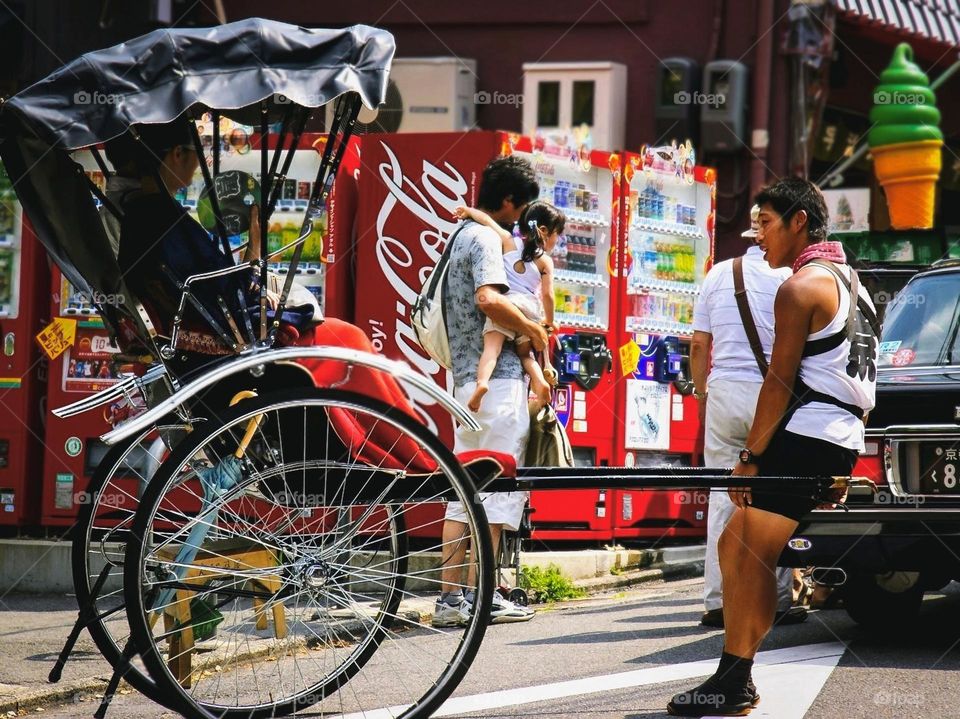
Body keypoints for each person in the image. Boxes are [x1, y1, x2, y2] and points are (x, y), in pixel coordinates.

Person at [668, 177, 877, 716]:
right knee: (735, 546)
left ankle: (733, 682)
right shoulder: (853, 282)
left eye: (764, 224)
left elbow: (779, 381)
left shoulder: (800, 287)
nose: (757, 238)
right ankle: (734, 674)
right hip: (835, 436)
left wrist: (748, 457)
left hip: (807, 436)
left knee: (749, 553)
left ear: (798, 221)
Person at [432, 156, 547, 628]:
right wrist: (532, 329)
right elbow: (488, 300)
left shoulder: (459, 236)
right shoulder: (483, 239)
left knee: (461, 495)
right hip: (496, 383)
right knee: (496, 493)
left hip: (463, 381)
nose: (522, 219)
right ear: (509, 202)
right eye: (522, 209)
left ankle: (449, 600)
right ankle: (484, 595)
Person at [691, 205, 806, 629]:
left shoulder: (719, 273)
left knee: (723, 494)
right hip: (772, 392)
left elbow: (700, 345)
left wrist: (703, 392)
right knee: (773, 495)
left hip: (724, 391)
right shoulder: (790, 276)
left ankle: (718, 600)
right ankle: (776, 600)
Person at [455, 201, 561, 413]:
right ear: (545, 232)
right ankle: (539, 381)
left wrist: (468, 211)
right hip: (530, 310)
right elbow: (548, 296)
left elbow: (486, 220)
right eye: (557, 234)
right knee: (525, 356)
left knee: (491, 349)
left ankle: (482, 383)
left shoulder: (507, 241)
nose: (558, 240)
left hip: (507, 305)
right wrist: (548, 321)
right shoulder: (545, 262)